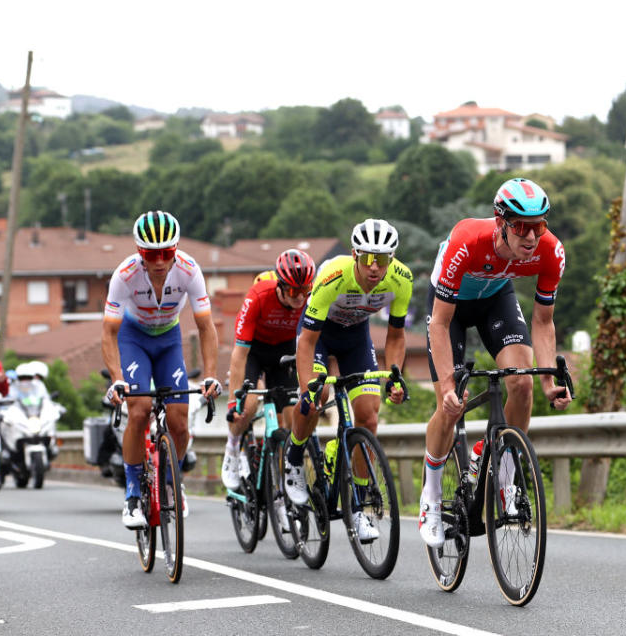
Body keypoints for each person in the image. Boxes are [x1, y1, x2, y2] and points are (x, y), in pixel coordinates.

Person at [418, 177, 573, 548]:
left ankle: (502, 472)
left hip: (496, 300)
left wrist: (550, 379)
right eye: (522, 226)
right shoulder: (467, 241)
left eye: (539, 226)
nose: (532, 237)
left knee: (522, 383)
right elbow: (439, 323)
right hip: (449, 310)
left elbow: (543, 321)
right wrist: (444, 387)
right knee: (451, 405)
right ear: (500, 220)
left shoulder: (550, 251)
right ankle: (432, 498)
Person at [283, 218, 411, 542]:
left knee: (368, 417)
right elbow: (307, 342)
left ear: (391, 260)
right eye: (367, 258)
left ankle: (359, 506)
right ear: (354, 254)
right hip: (319, 336)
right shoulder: (332, 276)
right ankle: (294, 457)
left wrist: (395, 376)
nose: (374, 267)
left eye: (381, 260)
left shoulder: (401, 280)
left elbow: (396, 337)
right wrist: (307, 389)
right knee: (317, 396)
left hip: (356, 338)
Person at [102, 210, 221, 529]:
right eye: (151, 254)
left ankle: (170, 480)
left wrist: (210, 375)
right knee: (138, 410)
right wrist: (117, 379)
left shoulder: (189, 270)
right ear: (140, 252)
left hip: (169, 340)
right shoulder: (125, 275)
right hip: (133, 338)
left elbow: (206, 327)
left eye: (167, 253)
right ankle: (131, 493)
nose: (159, 261)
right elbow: (109, 333)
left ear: (176, 249)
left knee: (180, 421)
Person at [222, 248, 315, 491]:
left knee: (291, 416)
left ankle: (284, 473)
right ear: (280, 287)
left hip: (283, 352)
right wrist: (233, 403)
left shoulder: (309, 299)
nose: (300, 298)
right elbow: (239, 354)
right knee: (249, 405)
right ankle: (232, 447)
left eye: (305, 291)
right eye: (294, 291)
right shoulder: (259, 296)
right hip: (254, 351)